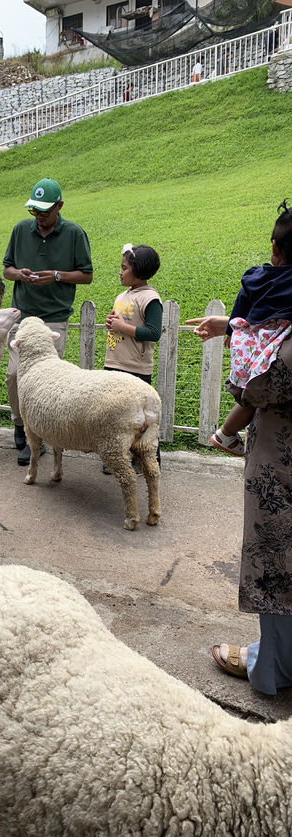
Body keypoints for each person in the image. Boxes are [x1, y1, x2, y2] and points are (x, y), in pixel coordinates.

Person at [186, 201, 292, 696]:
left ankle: (271, 667)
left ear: (275, 250)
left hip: (280, 464)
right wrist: (233, 327)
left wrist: (240, 335)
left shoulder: (279, 333)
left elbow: (255, 386)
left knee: (278, 562)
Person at [3, 178, 93, 466]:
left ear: (59, 206)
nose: (39, 217)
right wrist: (19, 274)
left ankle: (37, 439)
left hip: (53, 318)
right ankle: (21, 425)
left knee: (45, 383)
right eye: (35, 211)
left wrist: (56, 275)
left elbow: (87, 274)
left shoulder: (74, 233)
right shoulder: (20, 230)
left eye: (44, 211)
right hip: (23, 316)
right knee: (15, 376)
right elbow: (7, 269)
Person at [208, 201, 292, 457]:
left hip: (250, 348)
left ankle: (226, 434)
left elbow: (240, 307)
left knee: (249, 399)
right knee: (254, 399)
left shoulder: (255, 277)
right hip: (273, 349)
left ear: (274, 246)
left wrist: (231, 332)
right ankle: (225, 434)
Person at [103, 242, 162, 471]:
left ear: (139, 272)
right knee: (117, 416)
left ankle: (147, 460)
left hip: (135, 367)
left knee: (141, 418)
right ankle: (119, 458)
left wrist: (123, 327)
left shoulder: (150, 298)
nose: (120, 271)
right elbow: (120, 324)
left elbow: (154, 333)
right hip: (114, 363)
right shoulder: (124, 295)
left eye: (125, 268)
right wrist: (112, 323)